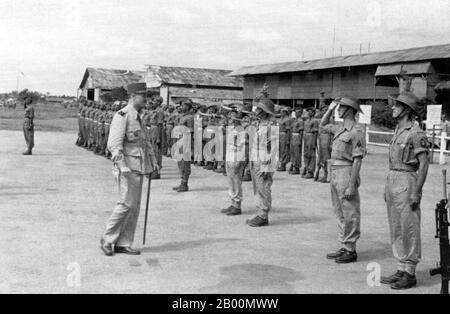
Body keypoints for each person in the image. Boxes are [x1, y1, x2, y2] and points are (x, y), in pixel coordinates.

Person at [101, 83, 159, 257]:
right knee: (125, 204)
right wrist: (121, 165)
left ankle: (124, 242)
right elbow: (114, 144)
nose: (146, 100)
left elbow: (145, 142)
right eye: (143, 96)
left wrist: (153, 161)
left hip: (139, 167)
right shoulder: (123, 116)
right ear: (133, 96)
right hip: (126, 168)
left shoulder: (139, 116)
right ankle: (107, 239)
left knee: (134, 207)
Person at [380, 92, 429, 290]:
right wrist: (386, 186)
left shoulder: (415, 133)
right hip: (393, 179)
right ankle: (401, 267)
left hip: (408, 180)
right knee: (396, 226)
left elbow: (424, 164)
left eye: (397, 105)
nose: (393, 107)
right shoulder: (398, 131)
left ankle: (410, 273)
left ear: (406, 110)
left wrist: (417, 191)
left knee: (409, 227)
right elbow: (393, 163)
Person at [320, 98, 366, 264]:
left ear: (349, 109)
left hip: (346, 171)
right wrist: (329, 110)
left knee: (350, 211)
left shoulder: (356, 131)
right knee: (339, 210)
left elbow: (358, 159)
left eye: (341, 107)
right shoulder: (340, 128)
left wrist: (352, 184)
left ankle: (351, 249)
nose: (338, 109)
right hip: (335, 172)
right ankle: (345, 244)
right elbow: (322, 126)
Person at [246, 96, 278, 227]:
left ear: (265, 111)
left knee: (264, 187)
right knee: (257, 187)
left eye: (259, 108)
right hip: (255, 159)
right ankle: (260, 213)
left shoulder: (270, 126)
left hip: (264, 160)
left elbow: (273, 148)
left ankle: (264, 215)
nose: (256, 111)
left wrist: (268, 166)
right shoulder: (259, 124)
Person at [221, 104, 252, 216]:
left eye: (233, 113)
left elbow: (244, 145)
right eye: (230, 114)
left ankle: (237, 205)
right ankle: (233, 202)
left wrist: (240, 160)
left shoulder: (243, 128)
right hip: (230, 154)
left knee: (236, 180)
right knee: (231, 180)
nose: (230, 115)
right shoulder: (232, 126)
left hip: (237, 156)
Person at [172, 100, 195, 192]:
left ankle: (185, 184)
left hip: (185, 140)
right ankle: (182, 182)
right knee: (180, 162)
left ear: (188, 106)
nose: (181, 106)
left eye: (183, 105)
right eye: (181, 105)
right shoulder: (181, 116)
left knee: (185, 163)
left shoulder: (190, 117)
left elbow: (190, 131)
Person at [316, 105, 333, 182]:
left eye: (326, 110)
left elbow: (332, 132)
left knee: (327, 159)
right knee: (321, 158)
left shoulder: (330, 119)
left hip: (327, 140)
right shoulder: (320, 120)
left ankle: (327, 176)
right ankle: (322, 174)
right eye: (323, 110)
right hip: (321, 140)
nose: (325, 111)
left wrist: (331, 143)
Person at [302, 106, 319, 178]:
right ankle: (306, 167)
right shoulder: (306, 121)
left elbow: (315, 132)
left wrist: (314, 142)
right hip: (306, 137)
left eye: (311, 111)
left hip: (311, 137)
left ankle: (311, 171)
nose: (309, 112)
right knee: (305, 153)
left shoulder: (315, 121)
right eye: (308, 111)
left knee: (311, 154)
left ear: (314, 113)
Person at [289, 108, 304, 175]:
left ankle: (297, 167)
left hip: (297, 137)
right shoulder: (294, 120)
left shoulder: (300, 121)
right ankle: (293, 165)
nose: (296, 114)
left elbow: (301, 131)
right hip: (293, 136)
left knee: (297, 153)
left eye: (297, 112)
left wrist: (300, 140)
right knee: (293, 152)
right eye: (295, 112)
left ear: (300, 113)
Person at [277, 107, 293, 171]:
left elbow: (288, 130)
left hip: (284, 135)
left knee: (284, 150)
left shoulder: (287, 120)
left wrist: (288, 139)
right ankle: (281, 163)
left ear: (285, 113)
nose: (280, 113)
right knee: (280, 150)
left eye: (282, 112)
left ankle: (283, 164)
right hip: (280, 135)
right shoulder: (281, 119)